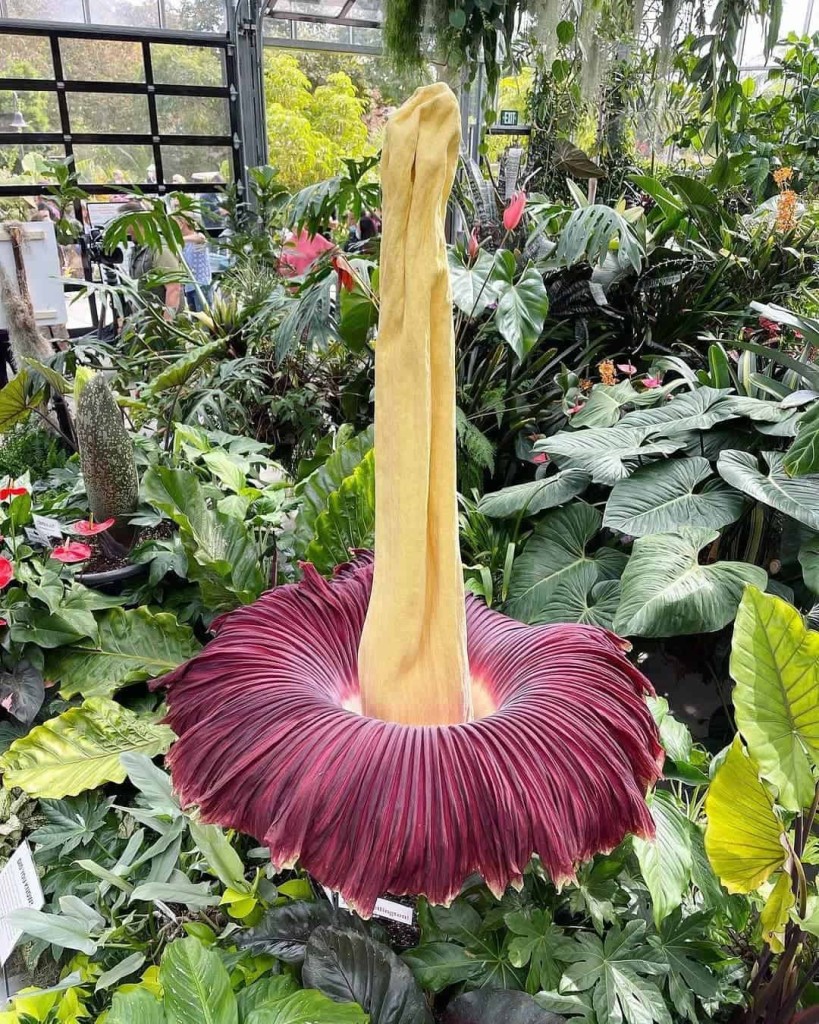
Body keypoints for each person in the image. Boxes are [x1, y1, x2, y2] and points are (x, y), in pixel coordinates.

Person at [117, 200, 183, 317]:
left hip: (160, 321)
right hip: (146, 319)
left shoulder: (160, 249)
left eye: (121, 221)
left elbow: (174, 289)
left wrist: (166, 323)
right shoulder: (138, 248)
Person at [178, 216, 213, 312]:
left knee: (205, 318)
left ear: (182, 223)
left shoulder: (196, 237)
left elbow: (201, 238)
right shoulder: (183, 244)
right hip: (189, 288)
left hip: (202, 286)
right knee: (195, 318)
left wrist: (179, 239)